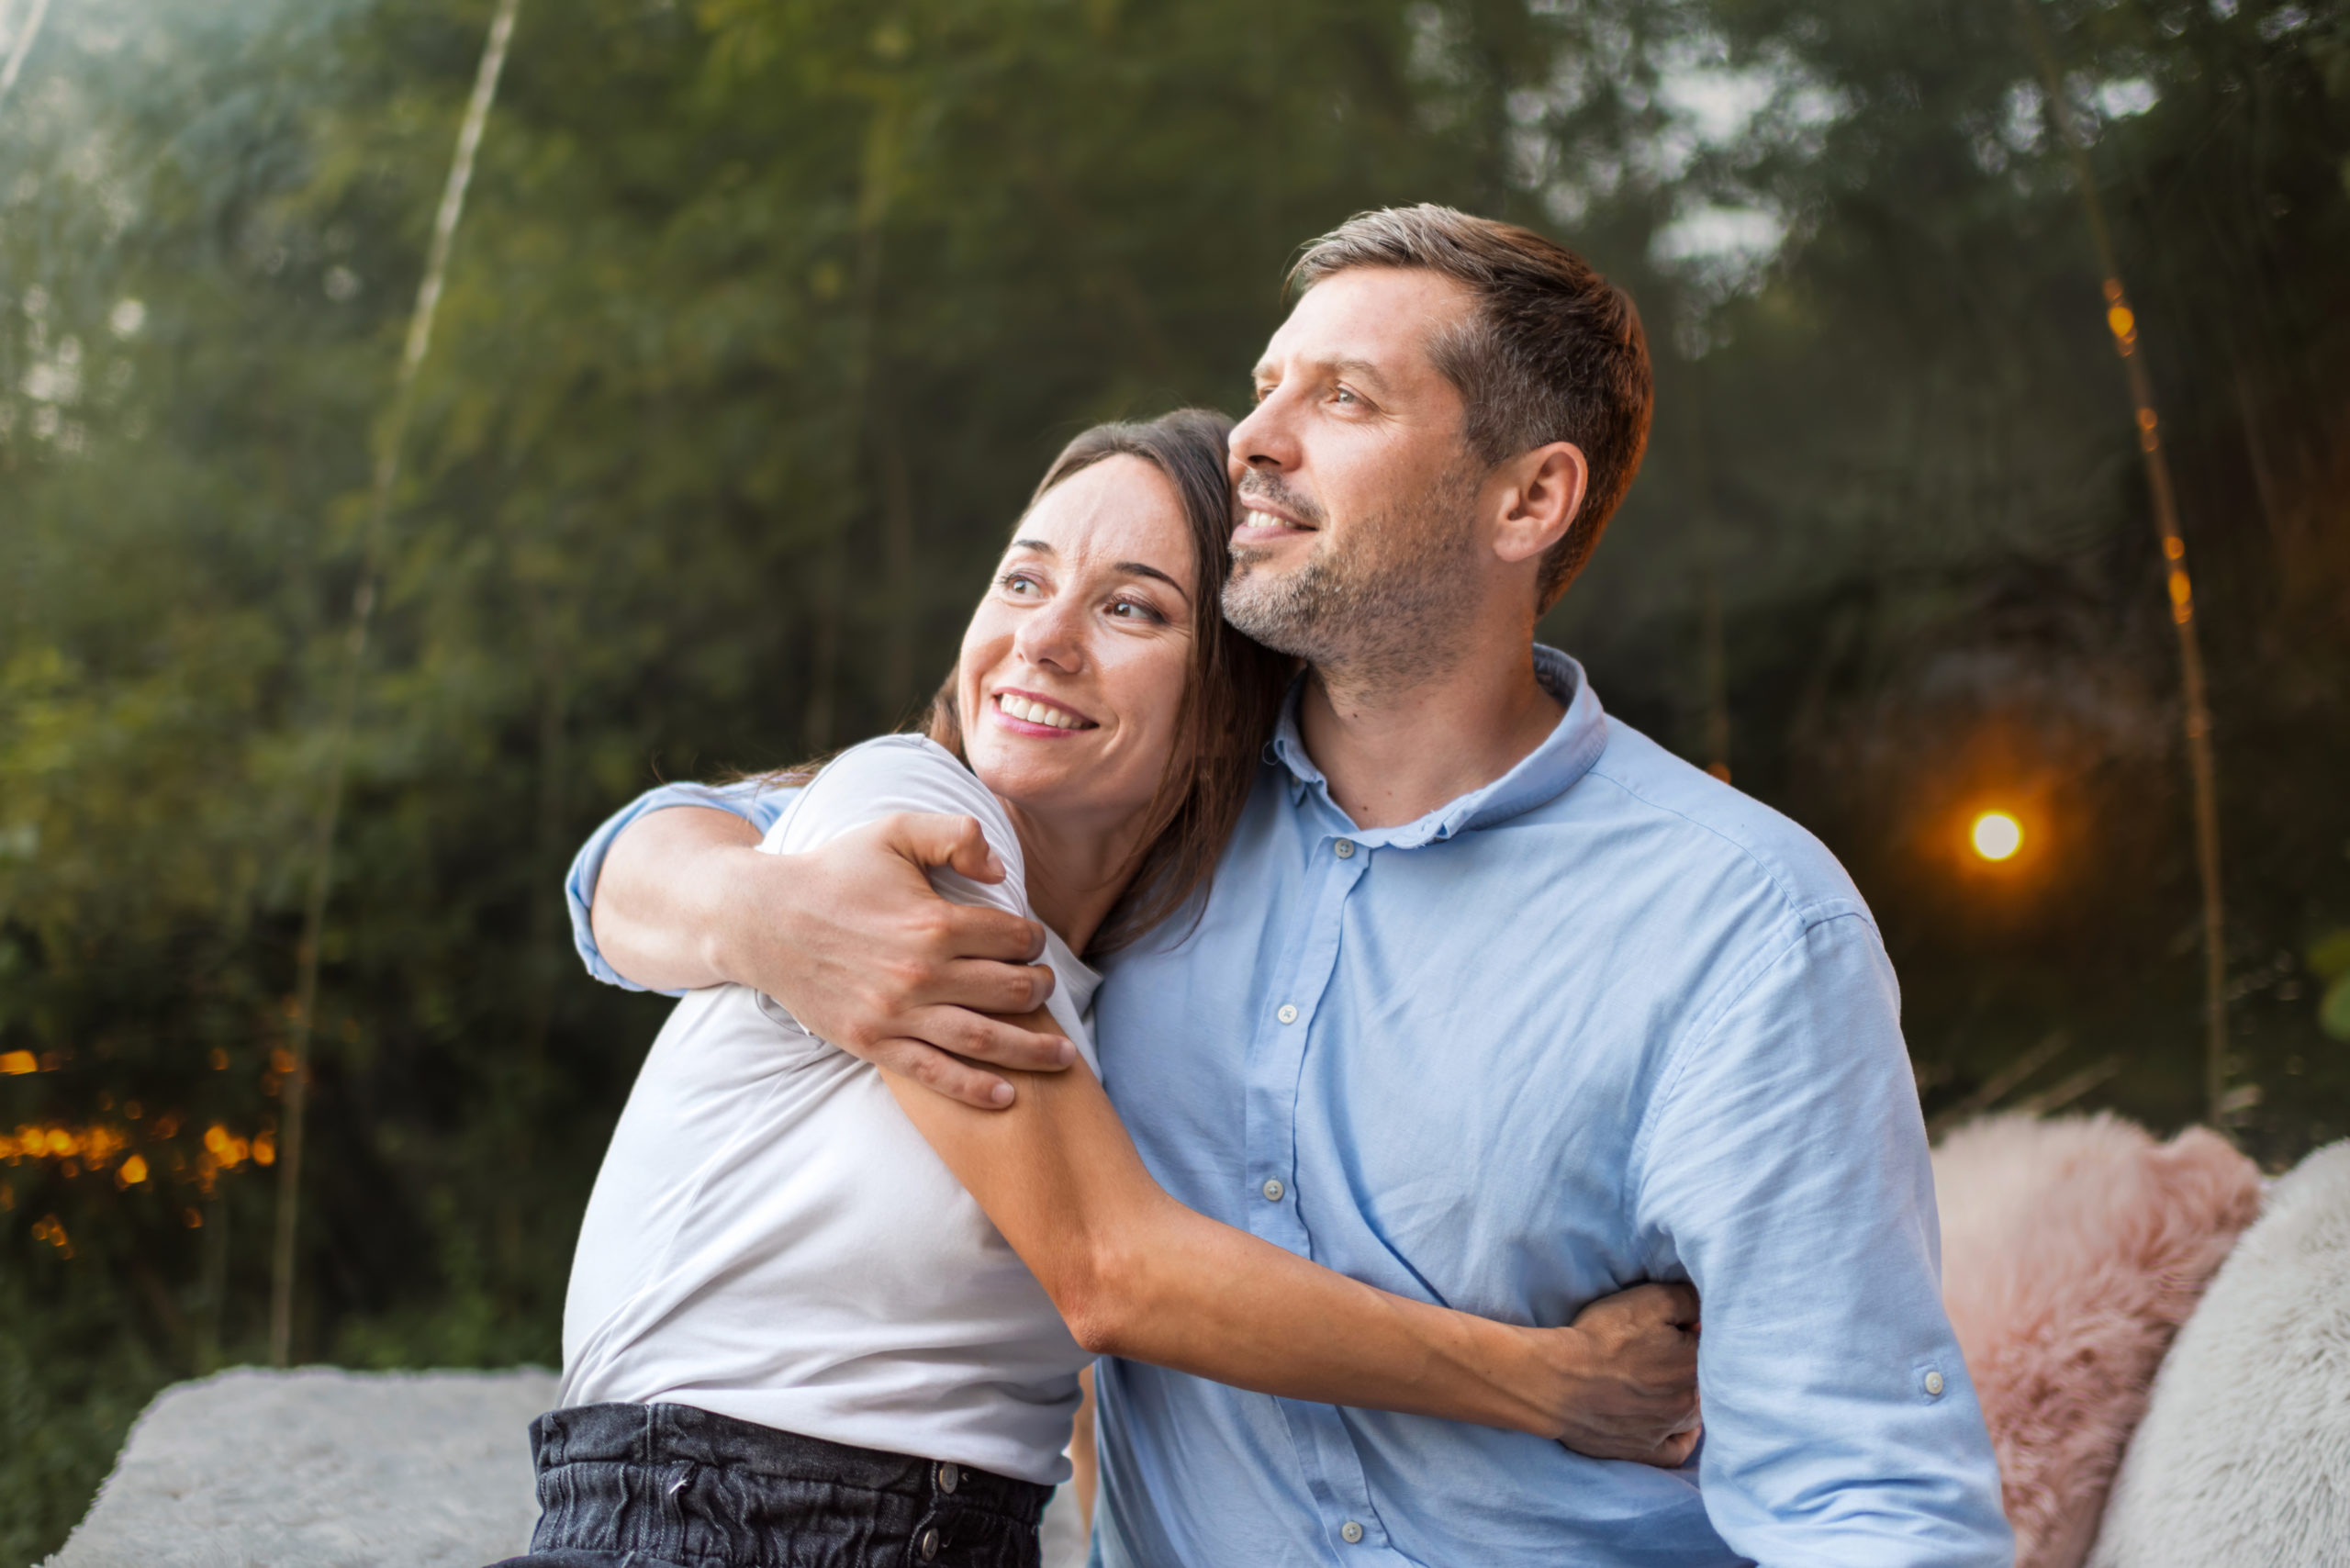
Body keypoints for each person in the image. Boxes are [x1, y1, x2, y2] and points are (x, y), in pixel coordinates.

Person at [570, 207, 2015, 1565]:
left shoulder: (1742, 924)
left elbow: (1863, 1486)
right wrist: (756, 913)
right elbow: (677, 837)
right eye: (1268, 386)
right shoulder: (1126, 820)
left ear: (1530, 499)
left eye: (1342, 399)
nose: (1256, 439)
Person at [513, 410, 1703, 1568]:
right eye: (1021, 583)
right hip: (718, 1520)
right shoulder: (914, 814)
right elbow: (1107, 1269)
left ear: (1232, 691)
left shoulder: (1134, 976)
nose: (1043, 638)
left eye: (1131, 607)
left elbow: (1089, 1373)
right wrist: (1553, 1383)